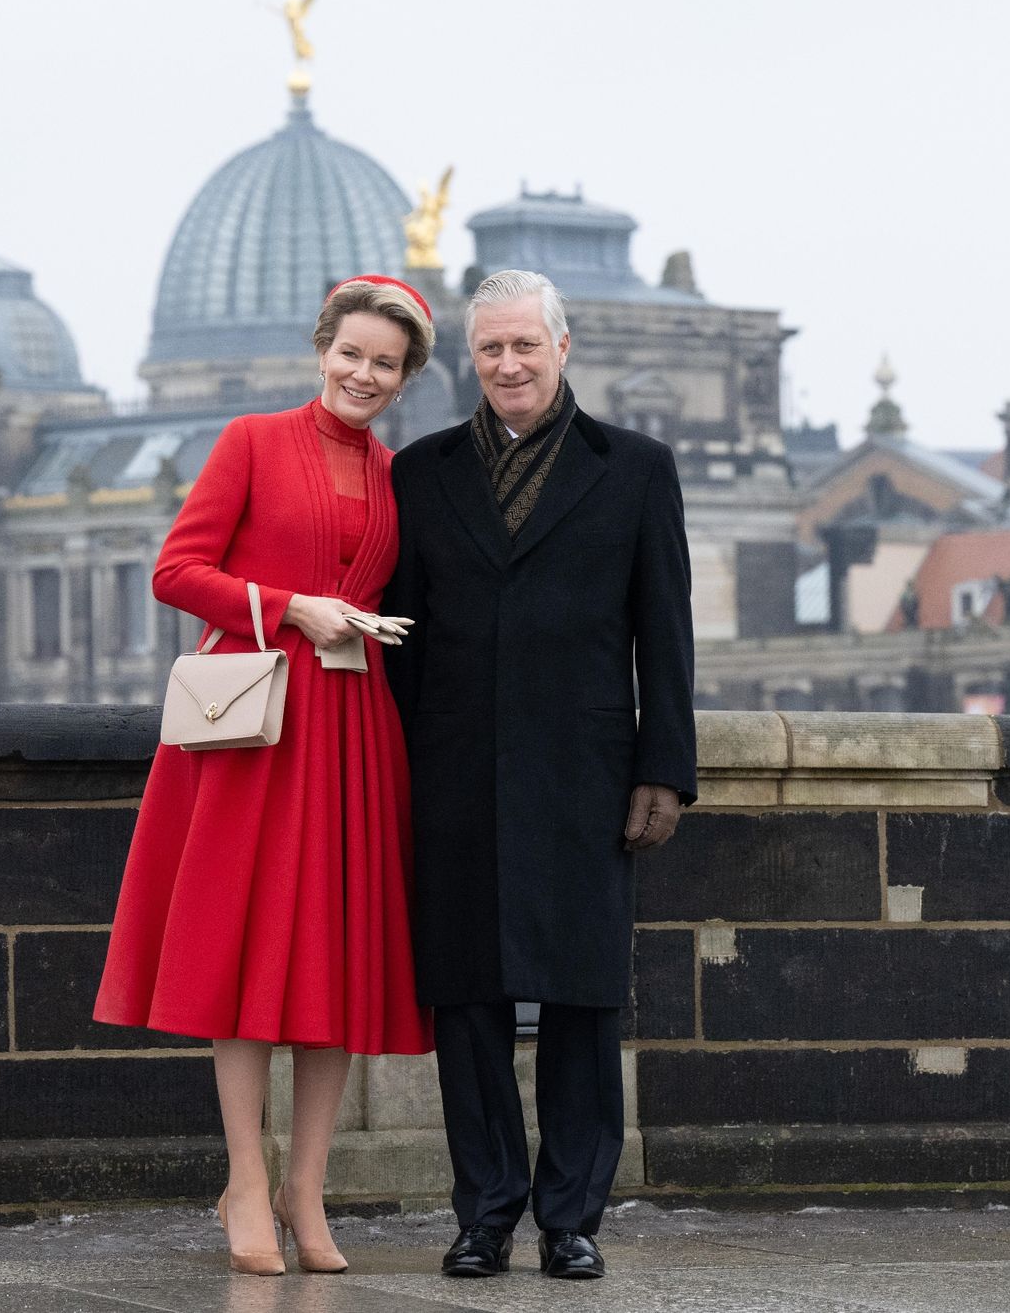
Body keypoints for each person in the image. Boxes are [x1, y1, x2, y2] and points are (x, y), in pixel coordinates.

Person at [96, 276, 438, 1276]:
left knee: (334, 956)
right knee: (242, 955)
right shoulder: (250, 439)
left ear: (405, 377)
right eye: (351, 355)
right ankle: (244, 1178)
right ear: (320, 349)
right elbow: (175, 570)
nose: (363, 375)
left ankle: (306, 1189)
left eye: (385, 364)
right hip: (253, 730)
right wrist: (290, 606)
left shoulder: (393, 473)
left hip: (351, 727)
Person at [383, 268, 696, 1281]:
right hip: (455, 771)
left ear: (562, 349)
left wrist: (665, 769)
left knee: (582, 1000)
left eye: (525, 345)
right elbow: (402, 642)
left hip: (586, 772)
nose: (508, 365)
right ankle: (483, 1216)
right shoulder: (419, 471)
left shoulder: (636, 467)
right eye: (489, 350)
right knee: (464, 1004)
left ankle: (571, 1218)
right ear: (467, 361)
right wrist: (396, 766)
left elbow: (665, 633)